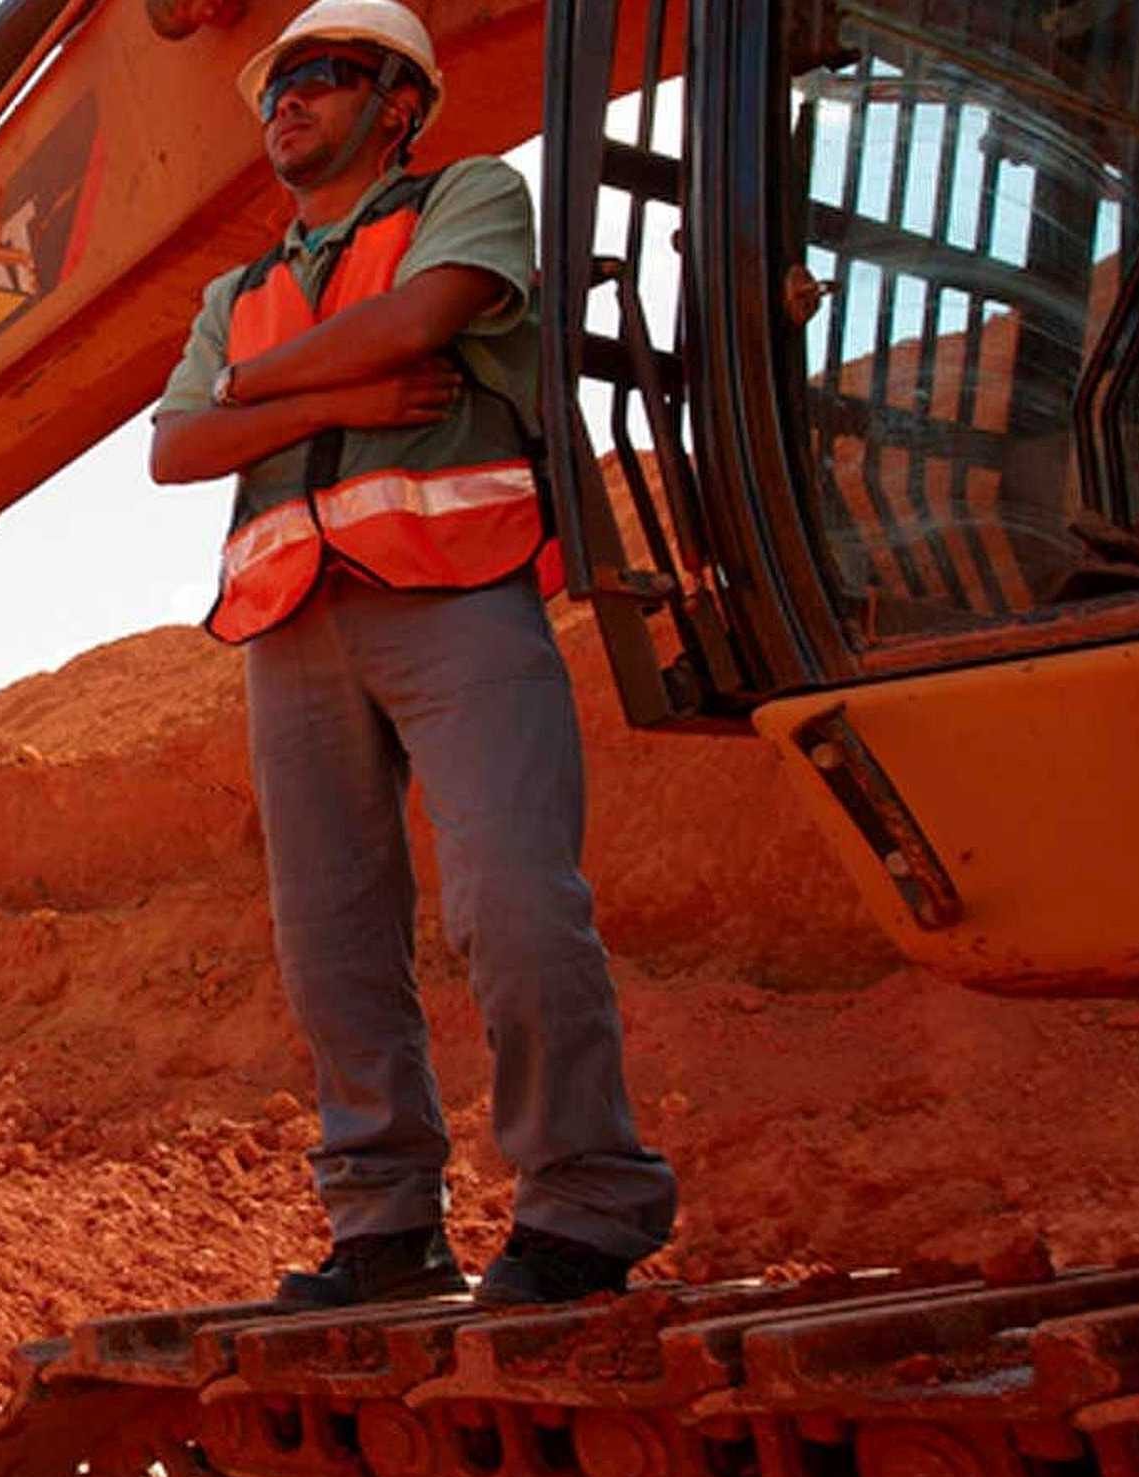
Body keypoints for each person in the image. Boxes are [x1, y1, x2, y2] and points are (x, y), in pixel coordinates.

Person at [150, 0, 676, 1309]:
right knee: (331, 943)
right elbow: (171, 449)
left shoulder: (471, 196)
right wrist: (330, 396)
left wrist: (255, 395)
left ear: (400, 103)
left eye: (325, 77)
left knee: (513, 898)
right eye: (280, 82)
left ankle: (585, 1210)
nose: (290, 98)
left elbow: (418, 323)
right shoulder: (237, 291)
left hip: (458, 599)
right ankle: (385, 1230)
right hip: (290, 627)